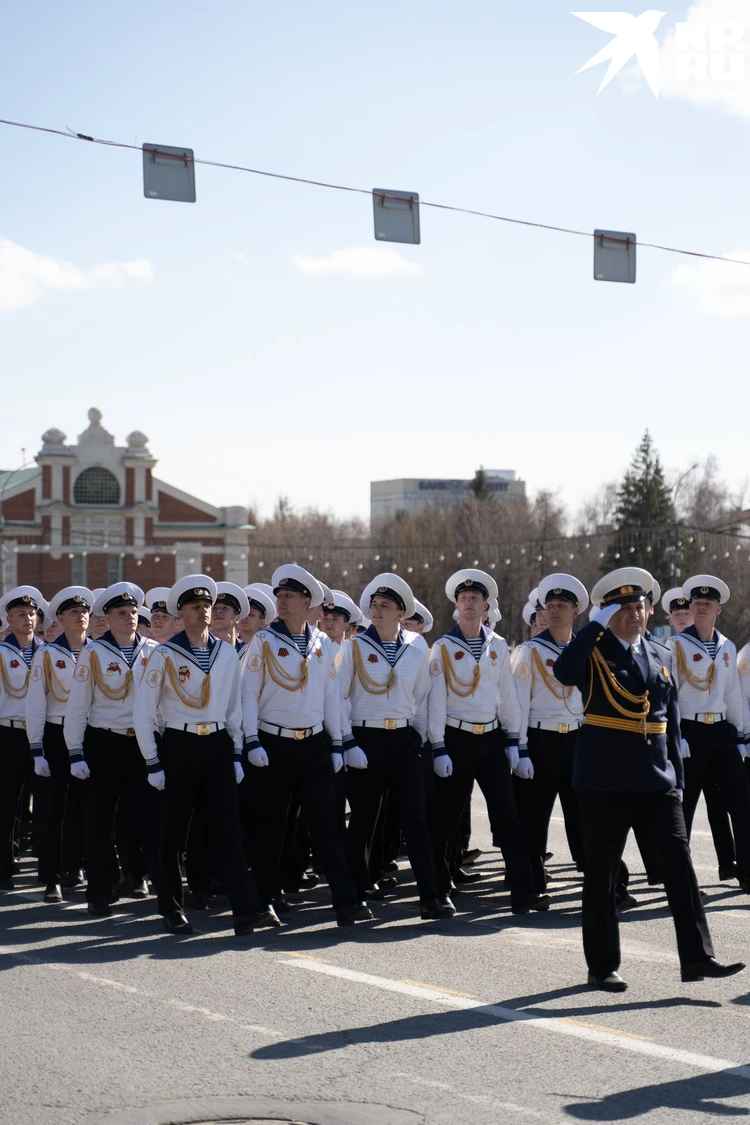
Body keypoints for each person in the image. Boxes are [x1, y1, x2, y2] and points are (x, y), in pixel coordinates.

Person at [555, 567, 744, 991]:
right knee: (602, 875)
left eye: (638, 606)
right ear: (608, 615)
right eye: (622, 608)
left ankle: (697, 957)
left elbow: (669, 720)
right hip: (605, 782)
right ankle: (602, 965)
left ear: (649, 609)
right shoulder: (594, 652)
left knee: (680, 865)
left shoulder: (660, 655)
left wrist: (676, 779)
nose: (633, 614)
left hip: (658, 781)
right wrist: (593, 628)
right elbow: (564, 672)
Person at [134, 574, 273, 936]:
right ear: (181, 612)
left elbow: (232, 708)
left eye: (207, 606)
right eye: (195, 606)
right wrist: (152, 760)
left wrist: (237, 752)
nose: (203, 611)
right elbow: (144, 711)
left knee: (228, 832)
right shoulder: (165, 654)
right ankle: (171, 909)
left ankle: (244, 910)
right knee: (173, 833)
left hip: (216, 746)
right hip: (178, 746)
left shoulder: (226, 653)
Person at [240, 564, 372, 927]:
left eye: (289, 597)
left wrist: (338, 744)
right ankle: (265, 898)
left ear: (307, 602)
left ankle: (345, 901)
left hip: (313, 744)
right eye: (279, 596)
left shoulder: (324, 645)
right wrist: (250, 739)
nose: (280, 602)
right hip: (272, 742)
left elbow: (330, 696)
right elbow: (248, 693)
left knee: (326, 826)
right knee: (270, 827)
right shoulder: (264, 641)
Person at [427, 569, 548, 914]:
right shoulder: (443, 647)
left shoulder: (497, 645)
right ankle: (438, 890)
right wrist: (438, 746)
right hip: (456, 737)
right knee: (446, 820)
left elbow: (507, 696)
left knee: (507, 817)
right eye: (463, 599)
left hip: (491, 739)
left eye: (475, 600)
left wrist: (516, 741)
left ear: (485, 607)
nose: (468, 604)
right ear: (456, 605)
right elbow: (436, 700)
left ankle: (524, 892)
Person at [338, 573, 452, 919]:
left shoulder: (417, 647)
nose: (376, 610)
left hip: (403, 741)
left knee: (416, 820)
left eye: (385, 606)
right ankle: (354, 895)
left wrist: (418, 739)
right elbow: (338, 698)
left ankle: (430, 896)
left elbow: (422, 697)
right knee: (363, 821)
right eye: (374, 605)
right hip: (365, 739)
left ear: (401, 613)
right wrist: (348, 742)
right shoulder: (353, 646)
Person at [64, 582, 161, 916]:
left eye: (134, 612)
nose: (130, 618)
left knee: (145, 818)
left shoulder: (152, 650)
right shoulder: (93, 652)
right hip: (104, 742)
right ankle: (99, 890)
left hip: (143, 743)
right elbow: (78, 704)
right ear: (107, 618)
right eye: (122, 613)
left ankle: (141, 878)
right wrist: (75, 751)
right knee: (99, 821)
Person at [666, 574, 750, 892]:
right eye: (697, 602)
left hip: (723, 732)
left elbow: (732, 693)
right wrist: (676, 736)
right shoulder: (675, 645)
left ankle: (747, 871)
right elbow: (669, 695)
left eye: (708, 603)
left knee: (742, 802)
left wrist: (741, 737)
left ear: (718, 610)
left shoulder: (727, 647)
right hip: (690, 731)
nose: (701, 607)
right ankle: (681, 878)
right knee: (683, 808)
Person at [512, 573, 587, 892]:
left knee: (583, 817)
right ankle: (531, 883)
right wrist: (520, 748)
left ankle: (600, 878)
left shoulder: (586, 650)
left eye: (562, 605)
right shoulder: (530, 651)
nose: (555, 610)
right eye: (551, 605)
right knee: (534, 818)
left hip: (576, 740)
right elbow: (518, 703)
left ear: (575, 611)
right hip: (540, 741)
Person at [26, 586, 94, 903]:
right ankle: (50, 876)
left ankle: (76, 867)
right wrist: (36, 747)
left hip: (90, 735)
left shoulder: (98, 652)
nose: (80, 616)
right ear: (61, 619)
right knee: (53, 809)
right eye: (73, 613)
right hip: (56, 734)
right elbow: (36, 703)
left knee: (85, 807)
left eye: (84, 612)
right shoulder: (48, 654)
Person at [0, 586, 44, 891]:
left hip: (42, 734)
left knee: (47, 804)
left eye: (31, 614)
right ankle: (4, 867)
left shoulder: (49, 653)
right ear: (9, 620)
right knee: (6, 804)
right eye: (21, 614)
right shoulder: (2, 653)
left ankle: (50, 871)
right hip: (9, 733)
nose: (28, 619)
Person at [210, 582, 250, 653]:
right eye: (214, 608)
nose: (218, 611)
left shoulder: (247, 652)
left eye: (225, 608)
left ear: (237, 618)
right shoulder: (201, 650)